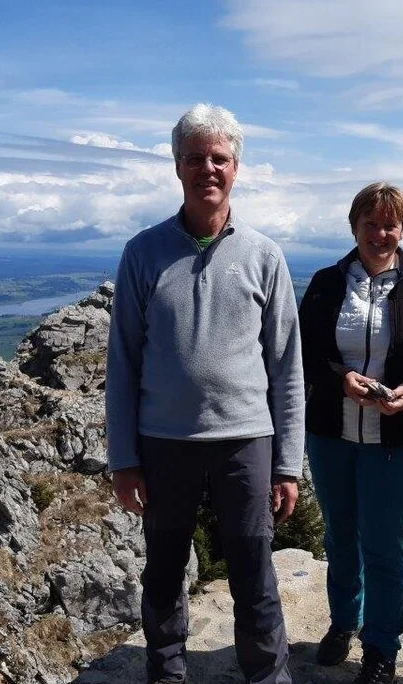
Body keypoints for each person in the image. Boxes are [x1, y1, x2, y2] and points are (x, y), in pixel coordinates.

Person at [105, 103, 304, 684]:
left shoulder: (264, 255)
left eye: (219, 158)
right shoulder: (143, 253)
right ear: (177, 167)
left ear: (236, 168)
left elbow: (287, 366)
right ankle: (166, 675)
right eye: (195, 158)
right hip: (163, 443)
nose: (207, 169)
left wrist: (288, 464)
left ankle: (268, 678)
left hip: (246, 441)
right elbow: (123, 364)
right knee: (164, 573)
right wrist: (124, 459)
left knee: (253, 573)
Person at [299, 182, 403, 684]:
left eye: (390, 224)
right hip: (331, 431)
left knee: (384, 542)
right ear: (355, 226)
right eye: (370, 223)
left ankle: (381, 646)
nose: (380, 233)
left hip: (397, 437)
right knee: (340, 535)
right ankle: (344, 622)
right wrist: (338, 379)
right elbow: (302, 349)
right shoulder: (327, 283)